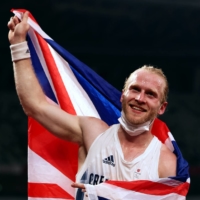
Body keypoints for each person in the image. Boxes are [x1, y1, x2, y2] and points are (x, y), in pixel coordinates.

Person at [7, 12, 176, 198]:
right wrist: (18, 45)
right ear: (122, 96)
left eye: (150, 94)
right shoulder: (93, 133)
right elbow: (35, 105)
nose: (140, 98)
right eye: (135, 89)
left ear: (162, 107)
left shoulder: (165, 162)